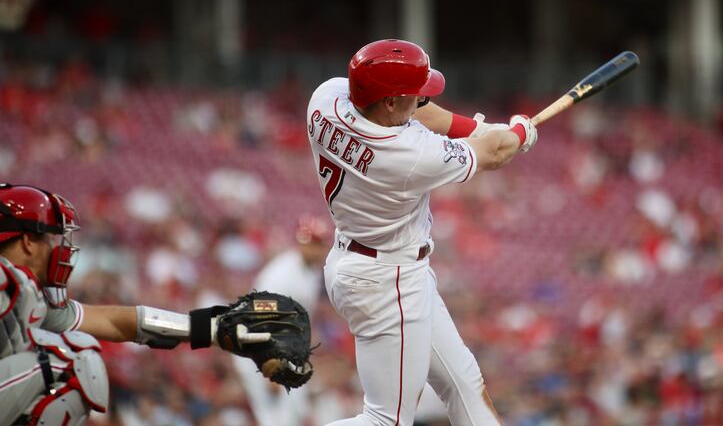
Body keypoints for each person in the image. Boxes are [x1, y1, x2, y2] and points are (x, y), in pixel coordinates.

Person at [306, 39, 538, 425]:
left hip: (369, 262)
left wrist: (479, 129)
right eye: (412, 95)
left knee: (463, 381)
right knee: (386, 420)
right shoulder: (408, 154)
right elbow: (496, 153)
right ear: (390, 103)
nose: (420, 99)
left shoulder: (325, 99)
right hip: (386, 279)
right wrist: (518, 131)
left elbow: (420, 114)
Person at [0, 183, 281, 424]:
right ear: (27, 242)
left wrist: (212, 329)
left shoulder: (30, 292)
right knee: (73, 362)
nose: (56, 247)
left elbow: (115, 322)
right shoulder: (8, 277)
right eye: (50, 237)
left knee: (71, 353)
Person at [233, 215, 331, 426]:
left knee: (294, 413)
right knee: (275, 419)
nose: (315, 249)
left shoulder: (312, 272)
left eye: (319, 243)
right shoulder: (281, 274)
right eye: (311, 242)